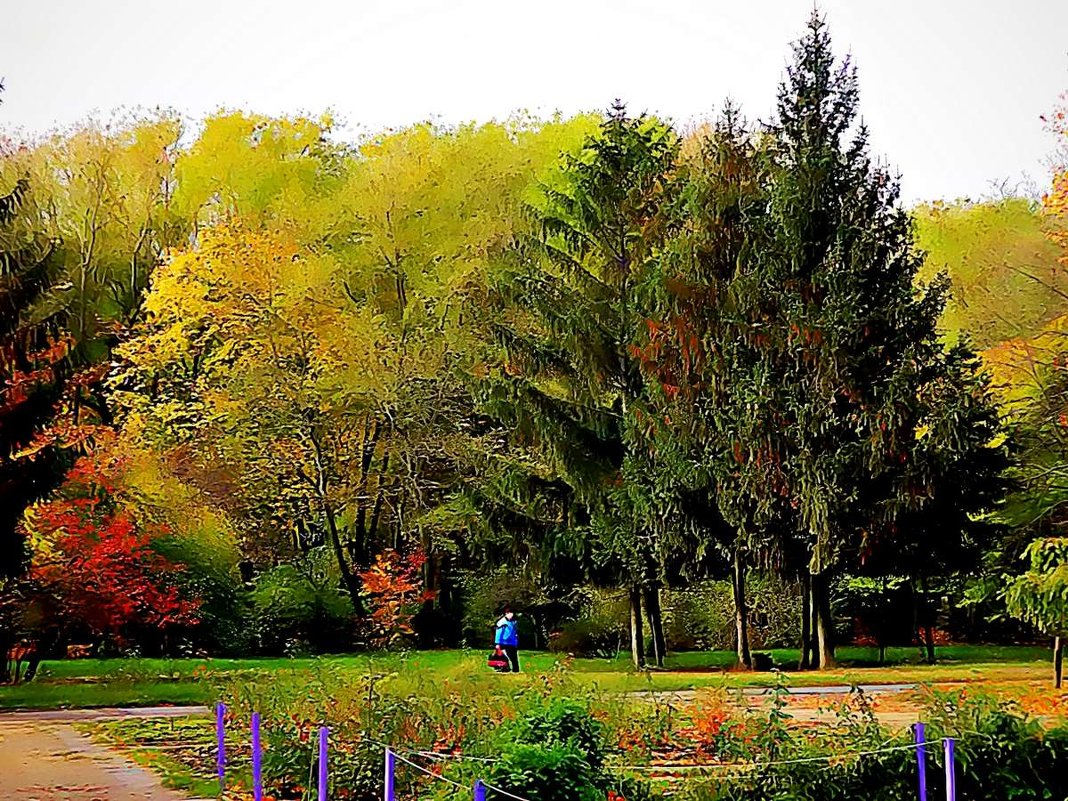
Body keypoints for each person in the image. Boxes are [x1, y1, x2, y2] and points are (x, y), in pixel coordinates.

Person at [494, 606, 520, 672]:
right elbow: (498, 633)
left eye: (512, 613)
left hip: (512, 642)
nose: (511, 614)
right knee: (503, 656)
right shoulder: (501, 622)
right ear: (506, 613)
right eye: (509, 613)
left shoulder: (514, 622)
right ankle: (504, 667)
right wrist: (497, 643)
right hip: (503, 642)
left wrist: (516, 640)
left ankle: (515, 669)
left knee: (514, 657)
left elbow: (515, 631)